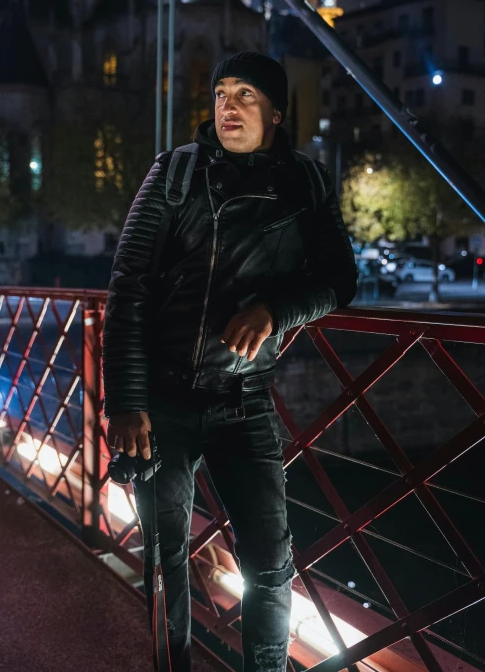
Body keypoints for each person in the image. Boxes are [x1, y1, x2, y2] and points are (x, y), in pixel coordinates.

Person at [102, 51, 358, 672]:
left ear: (274, 112)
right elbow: (128, 285)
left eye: (245, 94)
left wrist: (276, 308)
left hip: (244, 402)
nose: (228, 106)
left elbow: (339, 279)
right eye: (220, 93)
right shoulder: (174, 173)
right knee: (168, 560)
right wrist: (128, 402)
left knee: (270, 564)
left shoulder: (307, 182)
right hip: (161, 402)